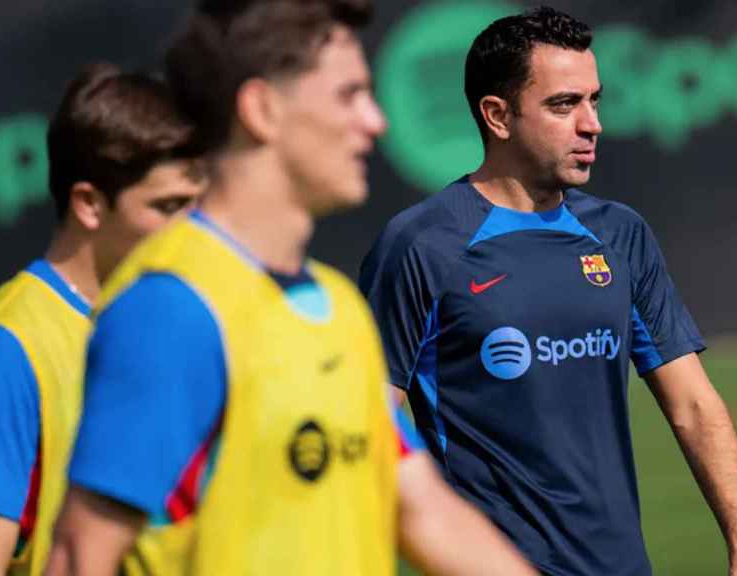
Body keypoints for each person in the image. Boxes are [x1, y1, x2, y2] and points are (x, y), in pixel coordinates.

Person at [45, 1, 536, 575]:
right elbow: (79, 557)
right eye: (348, 94)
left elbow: (425, 511)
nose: (375, 121)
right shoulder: (171, 307)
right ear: (262, 109)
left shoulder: (336, 304)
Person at [359, 6, 737, 576]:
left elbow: (695, 408)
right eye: (563, 105)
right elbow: (366, 434)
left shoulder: (619, 234)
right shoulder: (420, 246)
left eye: (593, 100)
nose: (592, 123)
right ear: (498, 116)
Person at [0, 63, 206, 576]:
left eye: (197, 206)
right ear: (89, 204)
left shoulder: (181, 317)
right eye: (168, 206)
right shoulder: (4, 346)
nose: (191, 229)